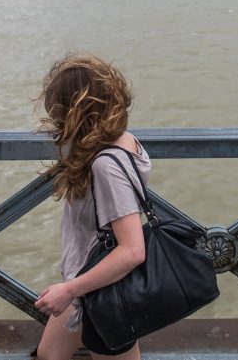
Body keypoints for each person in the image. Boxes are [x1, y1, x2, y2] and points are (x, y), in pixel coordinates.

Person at [33, 53, 151, 360]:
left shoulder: (106, 165)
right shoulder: (125, 141)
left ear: (74, 113)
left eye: (58, 113)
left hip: (104, 290)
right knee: (49, 355)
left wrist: (69, 290)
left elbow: (132, 250)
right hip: (90, 285)